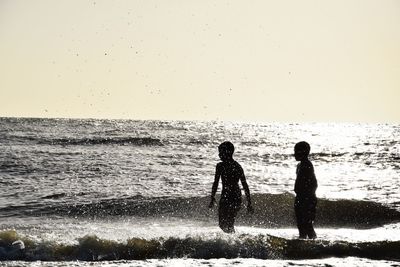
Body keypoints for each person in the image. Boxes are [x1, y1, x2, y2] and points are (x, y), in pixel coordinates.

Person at [209, 141, 253, 233]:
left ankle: (232, 243)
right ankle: (233, 241)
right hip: (232, 196)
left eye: (221, 152)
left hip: (231, 197)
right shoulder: (233, 166)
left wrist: (249, 203)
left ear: (227, 152)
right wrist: (212, 197)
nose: (219, 154)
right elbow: (216, 183)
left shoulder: (226, 166)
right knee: (225, 224)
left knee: (226, 223)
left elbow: (245, 185)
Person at [293, 141, 318, 239]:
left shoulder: (307, 165)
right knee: (300, 224)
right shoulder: (300, 165)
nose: (294, 154)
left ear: (303, 152)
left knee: (307, 224)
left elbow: (314, 184)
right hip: (300, 198)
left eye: (296, 151)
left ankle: (314, 244)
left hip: (307, 199)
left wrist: (308, 197)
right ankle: (303, 244)